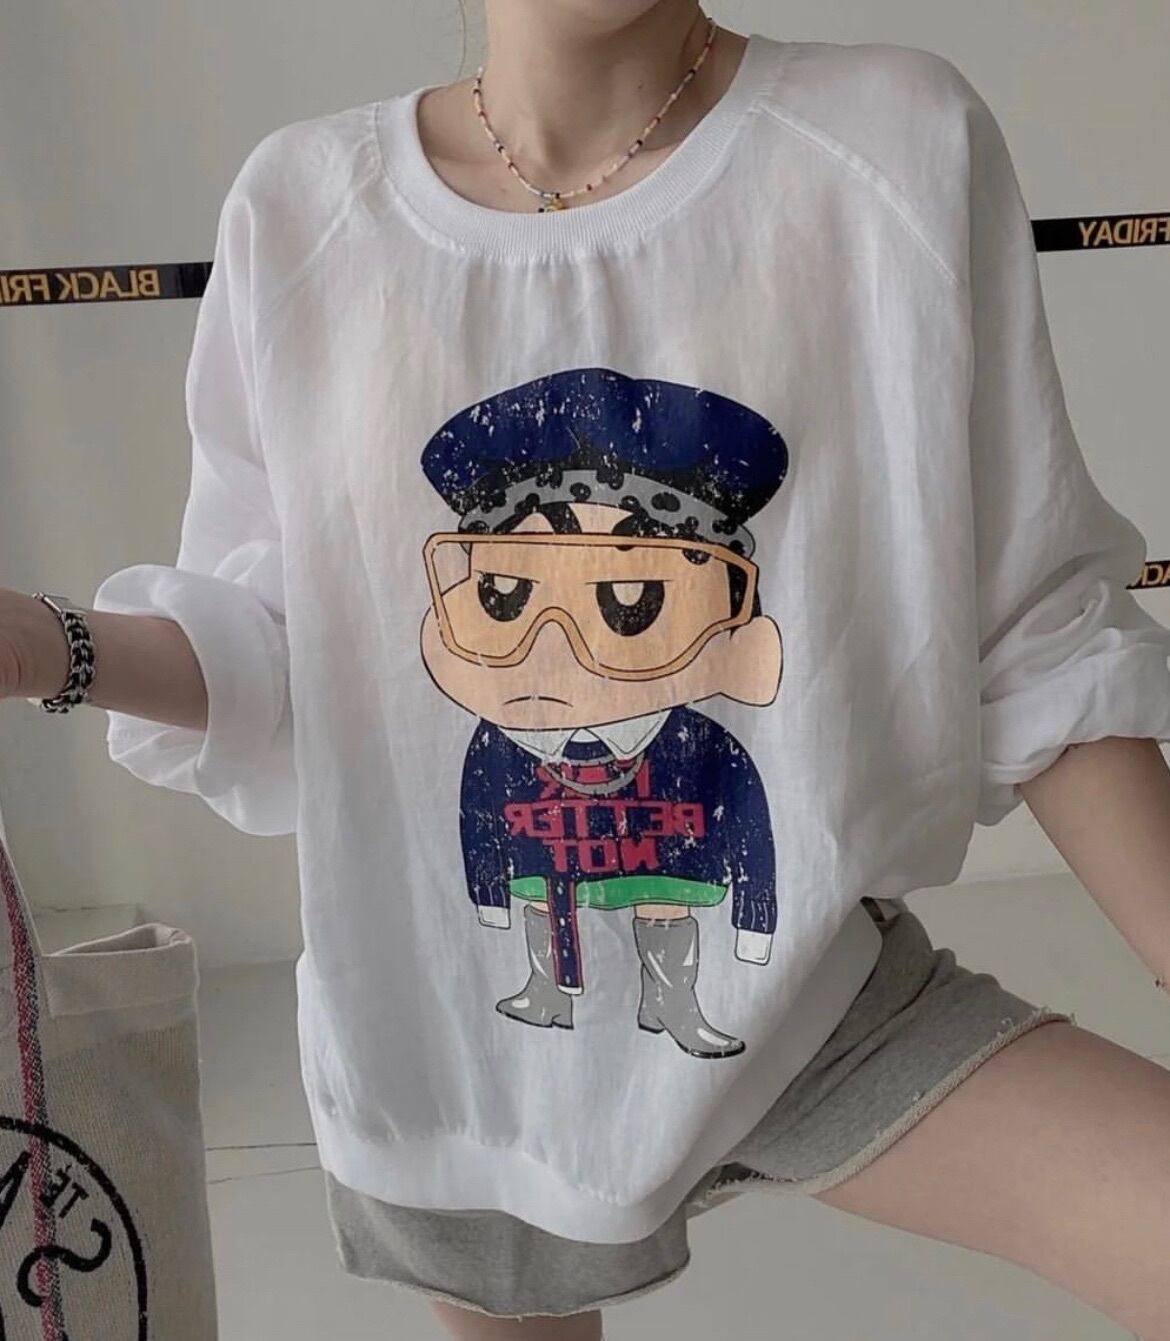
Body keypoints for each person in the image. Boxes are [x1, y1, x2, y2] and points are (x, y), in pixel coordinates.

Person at [3, 3, 1170, 1338]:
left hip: (823, 996)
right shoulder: (305, 210)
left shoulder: (890, 146)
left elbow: (1033, 631)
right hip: (458, 1051)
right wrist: (49, 646)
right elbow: (289, 656)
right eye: (506, 598)